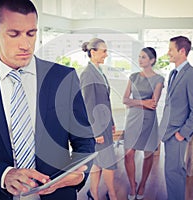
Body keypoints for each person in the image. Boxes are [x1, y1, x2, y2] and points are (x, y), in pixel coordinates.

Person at [0, 0, 95, 200]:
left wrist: (79, 173)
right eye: (14, 34)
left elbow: (84, 141)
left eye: (31, 33)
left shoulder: (63, 78)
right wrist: (4, 175)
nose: (26, 44)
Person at [159, 36, 193, 200]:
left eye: (171, 49)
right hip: (169, 131)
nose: (168, 53)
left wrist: (182, 133)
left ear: (182, 51)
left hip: (177, 133)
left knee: (174, 172)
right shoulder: (174, 72)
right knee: (172, 171)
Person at [123, 47, 164, 200]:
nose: (140, 60)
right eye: (139, 57)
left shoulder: (159, 79)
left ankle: (143, 184)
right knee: (128, 154)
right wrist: (142, 102)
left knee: (148, 154)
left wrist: (135, 102)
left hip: (148, 120)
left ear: (152, 61)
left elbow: (153, 104)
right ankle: (132, 185)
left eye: (144, 57)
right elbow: (124, 99)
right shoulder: (133, 76)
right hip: (133, 119)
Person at [80, 38, 118, 200]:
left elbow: (105, 102)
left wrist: (112, 122)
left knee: (98, 162)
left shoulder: (99, 72)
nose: (106, 54)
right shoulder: (88, 75)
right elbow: (88, 106)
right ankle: (112, 194)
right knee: (109, 162)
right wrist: (95, 132)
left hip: (105, 125)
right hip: (97, 128)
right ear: (93, 52)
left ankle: (93, 193)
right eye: (104, 51)